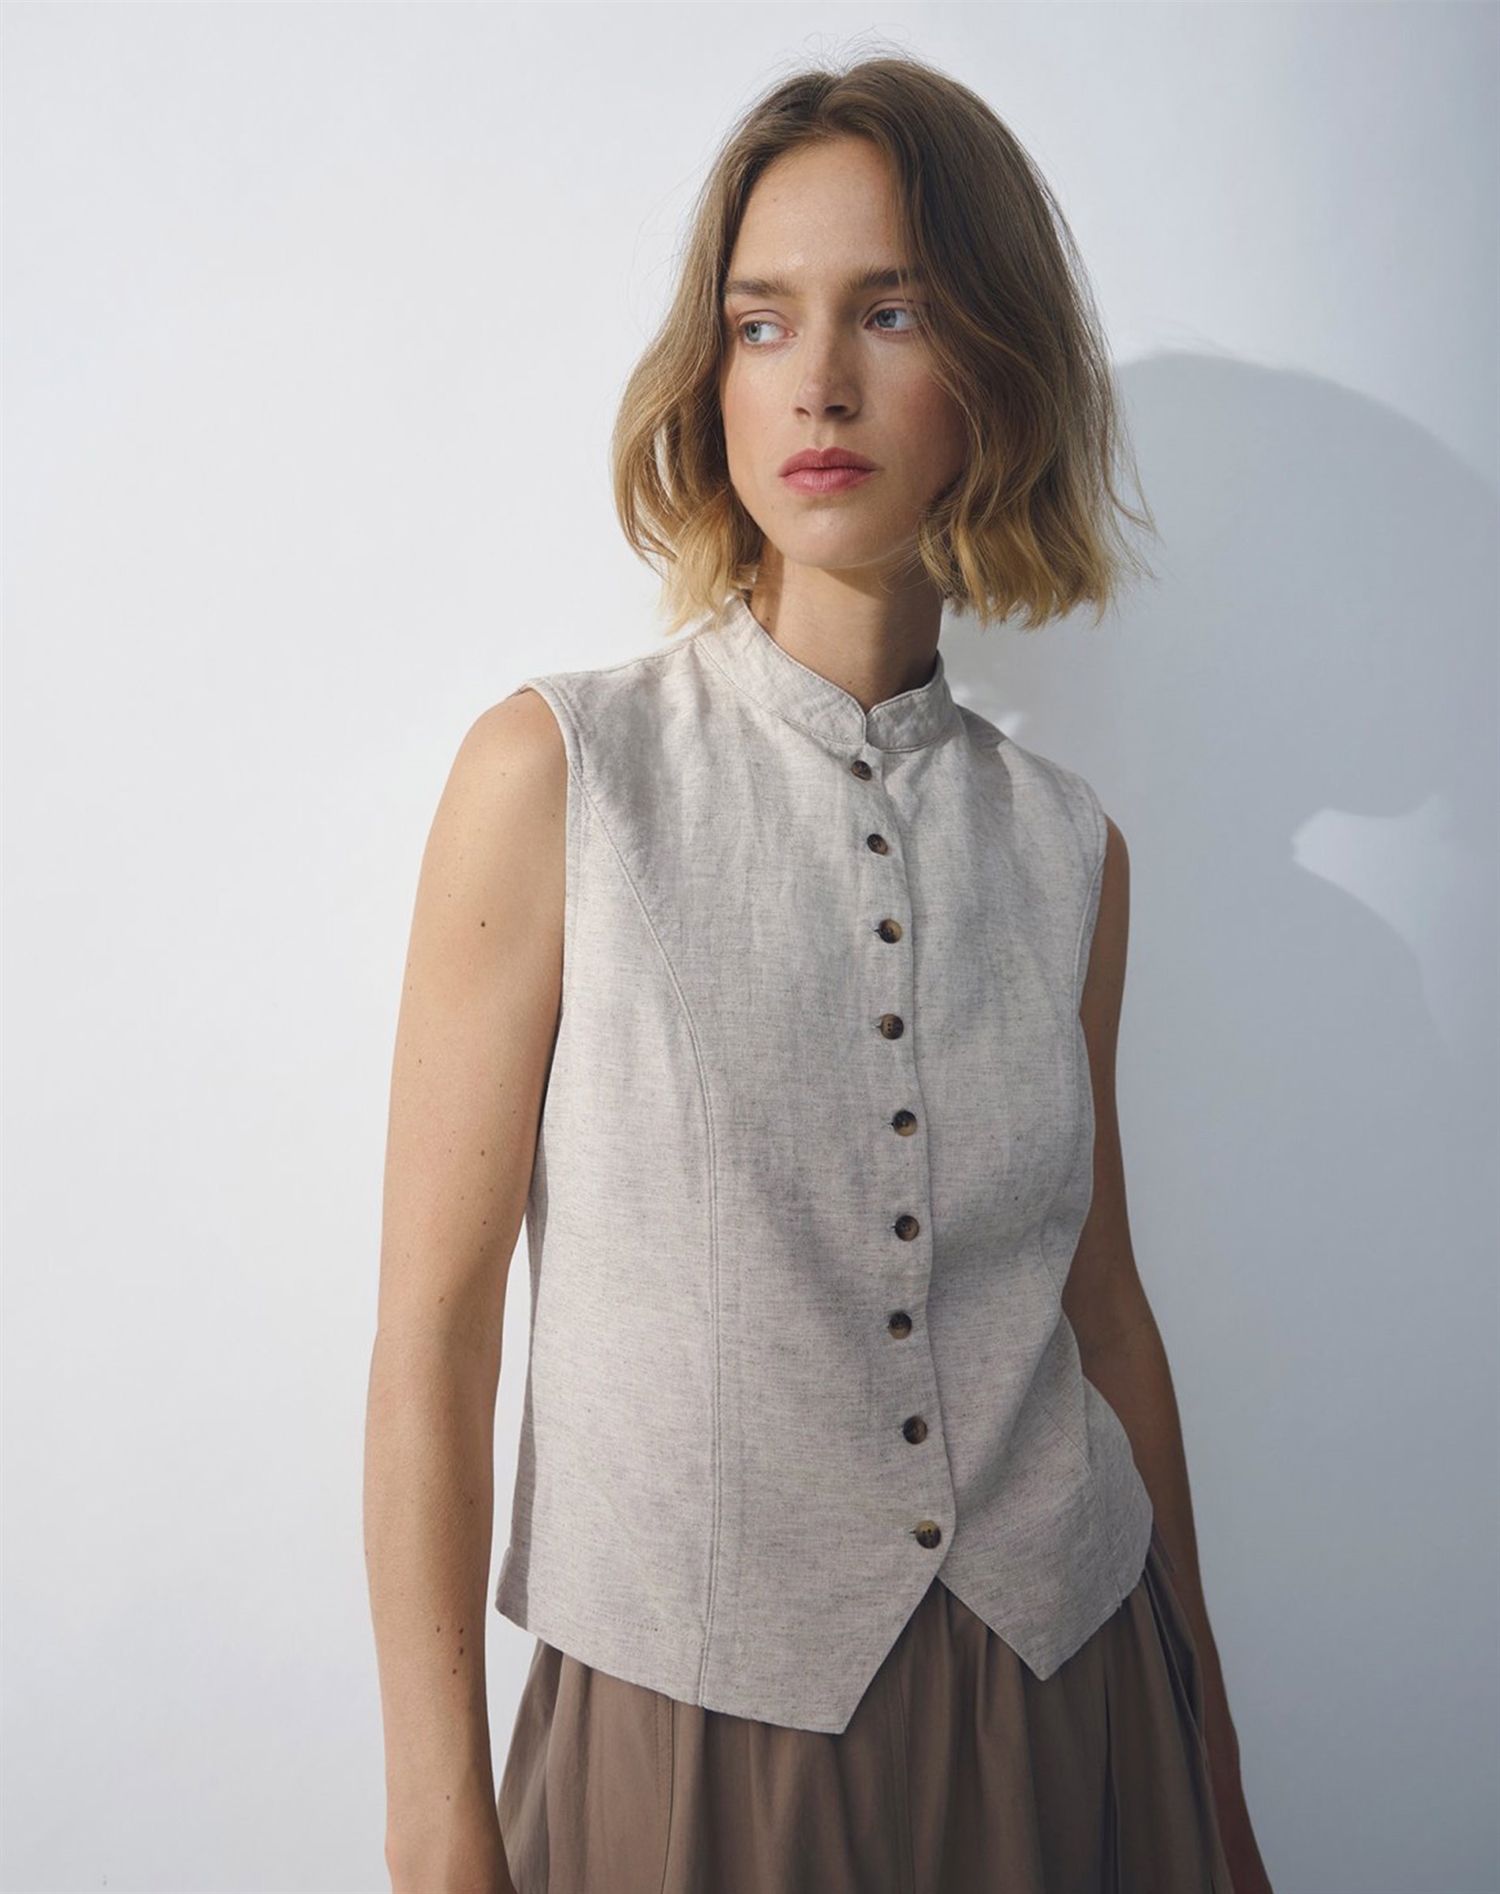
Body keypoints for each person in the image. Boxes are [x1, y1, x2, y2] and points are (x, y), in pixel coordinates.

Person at [366, 50, 1275, 1894]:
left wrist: (1218, 1761)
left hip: (1070, 1698)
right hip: (695, 1739)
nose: (821, 382)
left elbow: (1104, 1312)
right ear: (711, 378)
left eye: (894, 309)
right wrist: (437, 1824)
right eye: (762, 322)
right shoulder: (559, 776)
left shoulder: (1070, 848)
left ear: (993, 367)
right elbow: (436, 1334)